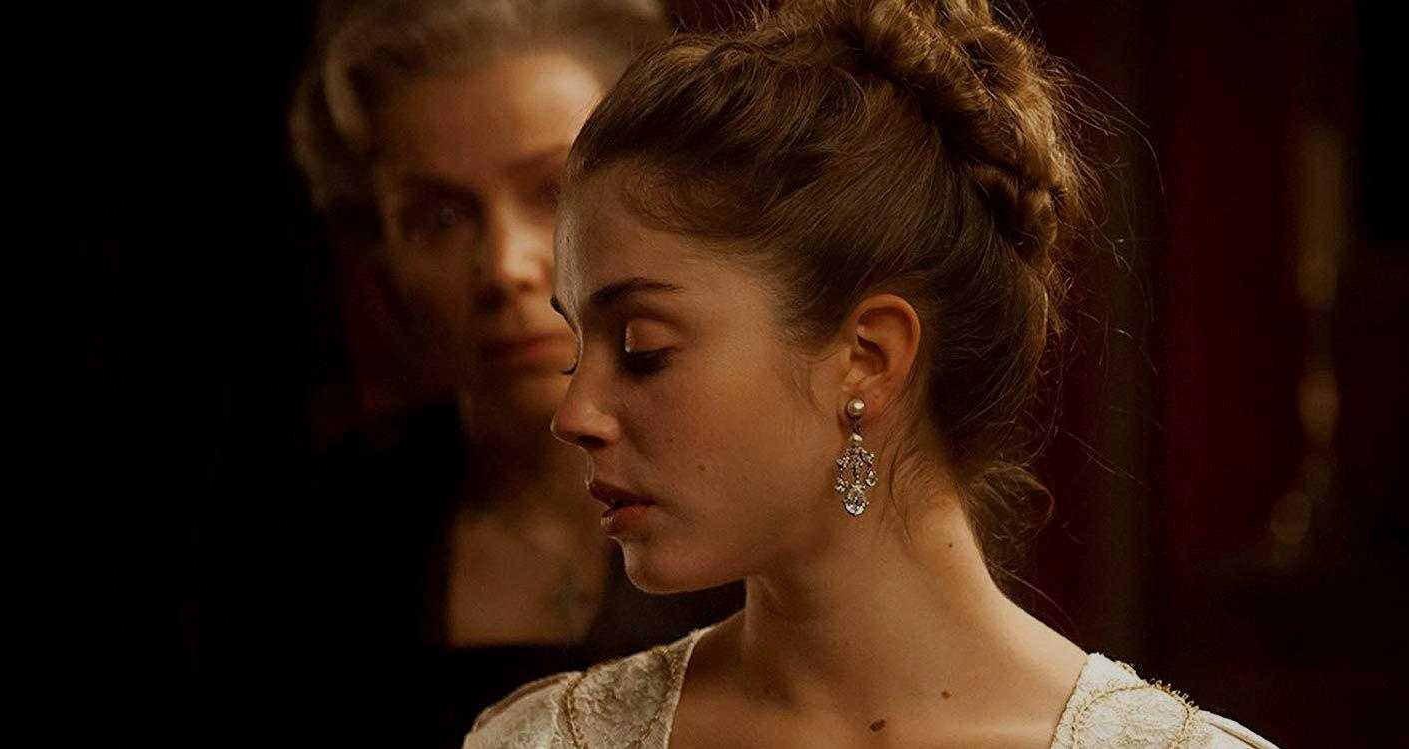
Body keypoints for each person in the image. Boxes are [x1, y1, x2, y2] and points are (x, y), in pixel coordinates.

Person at [463, 0, 1278, 746]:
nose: (574, 412)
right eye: (577, 350)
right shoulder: (539, 739)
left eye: (643, 347)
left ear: (868, 358)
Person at [278, 0, 741, 742]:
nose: (503, 268)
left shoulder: (774, 508)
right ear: (380, 256)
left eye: (554, 192)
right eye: (439, 218)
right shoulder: (313, 540)